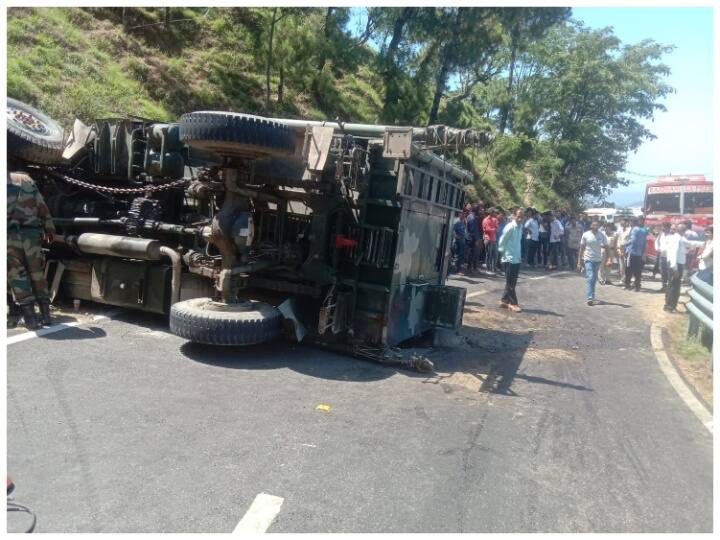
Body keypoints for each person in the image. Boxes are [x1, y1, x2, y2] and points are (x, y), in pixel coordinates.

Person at [7, 171, 56, 329]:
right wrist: (50, 229)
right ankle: (46, 315)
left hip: (10, 237)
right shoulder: (26, 180)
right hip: (32, 235)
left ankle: (30, 319)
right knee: (37, 274)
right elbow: (42, 207)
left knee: (17, 276)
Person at [664, 223, 705, 312]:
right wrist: (674, 268)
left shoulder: (678, 238)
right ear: (682, 231)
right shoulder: (677, 239)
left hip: (674, 264)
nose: (686, 231)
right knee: (674, 286)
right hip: (675, 264)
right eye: (684, 230)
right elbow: (673, 254)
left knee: (672, 285)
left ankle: (668, 305)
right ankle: (670, 306)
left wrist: (705, 243)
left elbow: (690, 243)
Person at [498, 208, 525, 312]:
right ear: (514, 216)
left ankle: (504, 300)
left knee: (511, 281)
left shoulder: (520, 227)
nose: (520, 218)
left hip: (516, 258)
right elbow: (502, 240)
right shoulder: (510, 227)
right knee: (511, 283)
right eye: (518, 216)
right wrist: (503, 254)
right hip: (508, 258)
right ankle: (513, 303)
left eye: (522, 217)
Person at [577, 219, 607, 306]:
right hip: (588, 259)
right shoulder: (586, 235)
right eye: (594, 225)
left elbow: (607, 246)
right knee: (590, 277)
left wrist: (609, 259)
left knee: (594, 279)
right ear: (591, 226)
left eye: (597, 225)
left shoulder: (601, 235)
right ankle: (590, 297)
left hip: (597, 260)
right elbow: (581, 248)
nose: (595, 227)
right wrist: (579, 261)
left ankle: (592, 295)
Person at [623, 217, 647, 291]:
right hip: (639, 253)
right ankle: (637, 286)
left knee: (628, 269)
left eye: (630, 222)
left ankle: (627, 285)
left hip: (631, 251)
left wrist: (625, 244)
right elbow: (644, 243)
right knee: (638, 270)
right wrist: (642, 252)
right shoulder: (643, 231)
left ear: (632, 222)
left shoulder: (634, 230)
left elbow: (632, 240)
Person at [654, 221, 672, 292]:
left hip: (669, 257)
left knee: (668, 272)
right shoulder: (661, 235)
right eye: (663, 227)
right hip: (662, 256)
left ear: (669, 227)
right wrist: (657, 248)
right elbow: (656, 242)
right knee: (662, 272)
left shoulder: (672, 235)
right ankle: (664, 286)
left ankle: (669, 287)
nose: (664, 228)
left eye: (666, 227)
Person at [482, 208, 499, 274]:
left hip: (494, 239)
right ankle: (488, 269)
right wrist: (493, 229)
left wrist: (493, 229)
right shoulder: (485, 220)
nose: (495, 214)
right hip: (488, 239)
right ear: (491, 213)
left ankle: (494, 269)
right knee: (489, 255)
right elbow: (485, 230)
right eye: (494, 212)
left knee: (495, 255)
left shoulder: (495, 219)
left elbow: (497, 228)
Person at [451, 210, 467, 274]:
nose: (464, 215)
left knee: (461, 256)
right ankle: (455, 270)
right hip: (457, 242)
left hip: (462, 241)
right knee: (457, 256)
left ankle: (458, 269)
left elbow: (464, 230)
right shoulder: (456, 221)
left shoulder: (463, 221)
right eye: (462, 214)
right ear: (459, 214)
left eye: (465, 214)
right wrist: (455, 236)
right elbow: (452, 229)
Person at [466, 205, 480, 273]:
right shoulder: (473, 218)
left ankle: (469, 267)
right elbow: (474, 230)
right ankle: (470, 268)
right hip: (473, 237)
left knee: (470, 252)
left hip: (469, 236)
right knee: (473, 253)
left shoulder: (469, 216)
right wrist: (476, 239)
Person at [615, 218, 631, 283]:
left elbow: (630, 240)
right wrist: (618, 248)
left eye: (623, 223)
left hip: (627, 249)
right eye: (621, 223)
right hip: (620, 248)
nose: (621, 224)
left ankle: (628, 278)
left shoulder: (630, 230)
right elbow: (618, 239)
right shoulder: (619, 230)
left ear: (626, 223)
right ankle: (622, 278)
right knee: (621, 264)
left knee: (627, 264)